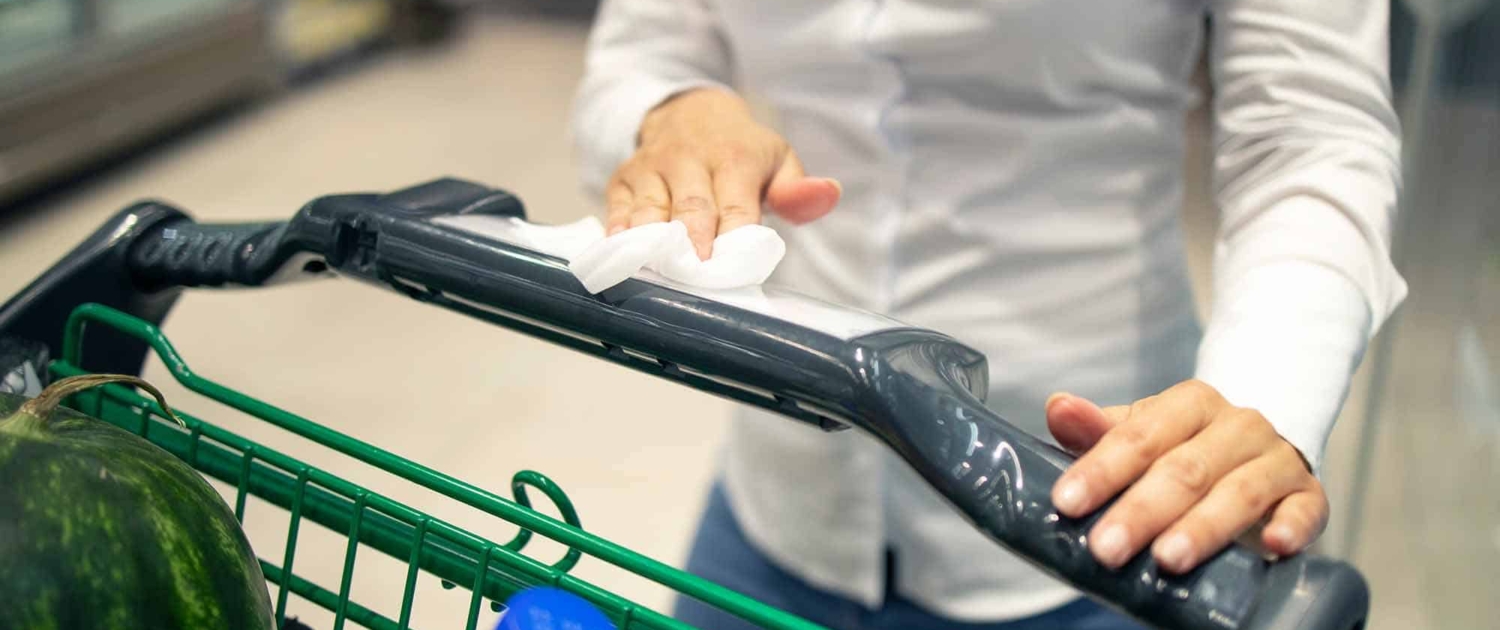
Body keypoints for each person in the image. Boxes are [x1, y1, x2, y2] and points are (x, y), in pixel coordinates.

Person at [568, 1, 1406, 629]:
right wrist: (674, 108)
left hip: (1093, 519)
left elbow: (1310, 134)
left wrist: (1266, 393)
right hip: (780, 496)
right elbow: (643, 47)